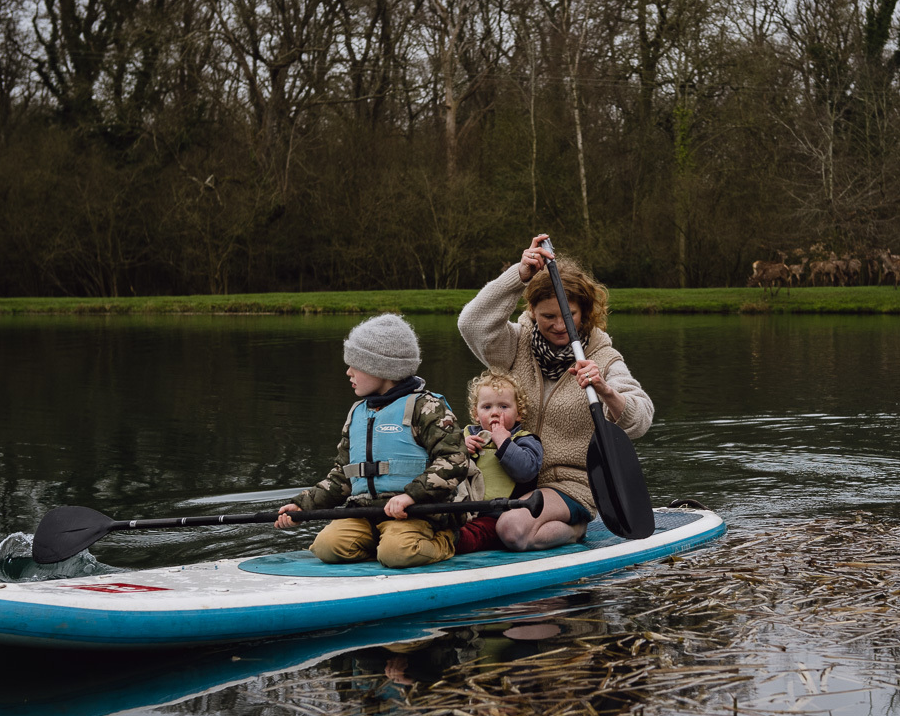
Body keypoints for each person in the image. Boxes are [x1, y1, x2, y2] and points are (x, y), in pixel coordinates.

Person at [457, 233, 653, 550]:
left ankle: (574, 529)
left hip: (569, 485)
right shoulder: (514, 345)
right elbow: (472, 324)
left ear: (585, 313)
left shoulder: (601, 358)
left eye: (568, 316)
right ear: (533, 311)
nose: (559, 326)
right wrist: (518, 276)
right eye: (548, 316)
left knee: (512, 528)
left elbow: (640, 419)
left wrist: (605, 391)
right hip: (509, 479)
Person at [273, 313, 468, 567]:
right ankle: (381, 545)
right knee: (325, 547)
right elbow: (342, 477)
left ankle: (445, 539)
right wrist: (303, 507)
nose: (348, 372)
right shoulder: (357, 413)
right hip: (365, 512)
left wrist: (411, 496)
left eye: (356, 364)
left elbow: (455, 460)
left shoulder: (427, 407)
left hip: (417, 513)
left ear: (382, 369)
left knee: (397, 552)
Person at [458, 369, 544, 553]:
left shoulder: (524, 440)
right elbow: (439, 464)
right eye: (487, 407)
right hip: (460, 511)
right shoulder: (463, 437)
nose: (495, 413)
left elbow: (526, 471)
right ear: (476, 413)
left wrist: (503, 442)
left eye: (503, 407)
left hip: (497, 516)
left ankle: (450, 542)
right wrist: (460, 450)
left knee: (466, 538)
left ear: (518, 413)